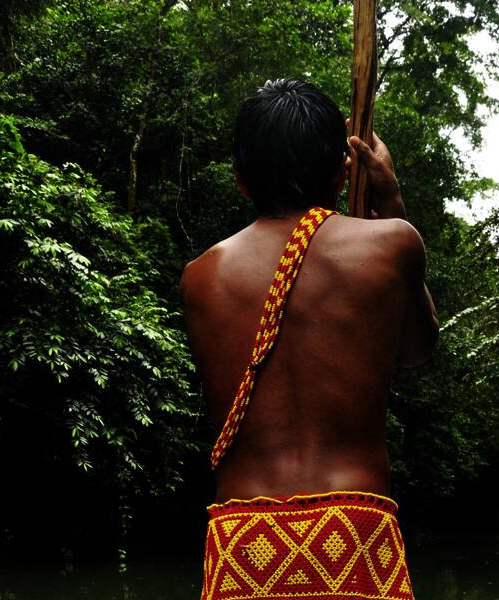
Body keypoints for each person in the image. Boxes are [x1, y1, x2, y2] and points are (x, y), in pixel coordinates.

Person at [180, 79, 438, 600]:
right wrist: (392, 203)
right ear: (343, 171)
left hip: (244, 543)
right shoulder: (393, 244)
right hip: (353, 536)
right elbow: (417, 350)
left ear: (241, 181)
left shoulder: (201, 276)